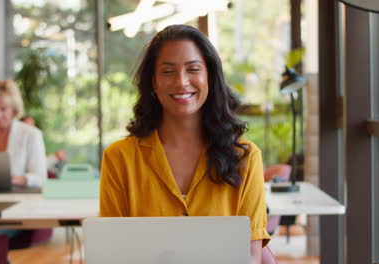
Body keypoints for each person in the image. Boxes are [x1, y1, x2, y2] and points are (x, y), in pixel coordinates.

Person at [99, 25, 270, 263]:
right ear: (153, 82)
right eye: (168, 72)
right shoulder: (119, 157)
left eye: (193, 69)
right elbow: (111, 251)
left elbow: (251, 255)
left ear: (209, 76)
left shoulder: (246, 157)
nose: (181, 82)